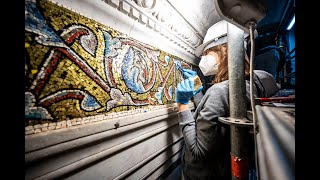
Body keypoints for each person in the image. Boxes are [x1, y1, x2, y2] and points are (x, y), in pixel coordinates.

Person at [175, 20, 280, 180]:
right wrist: (197, 94)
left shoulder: (219, 91)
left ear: (224, 49)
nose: (203, 59)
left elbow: (199, 151)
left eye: (207, 52)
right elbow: (215, 118)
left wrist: (182, 104)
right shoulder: (249, 84)